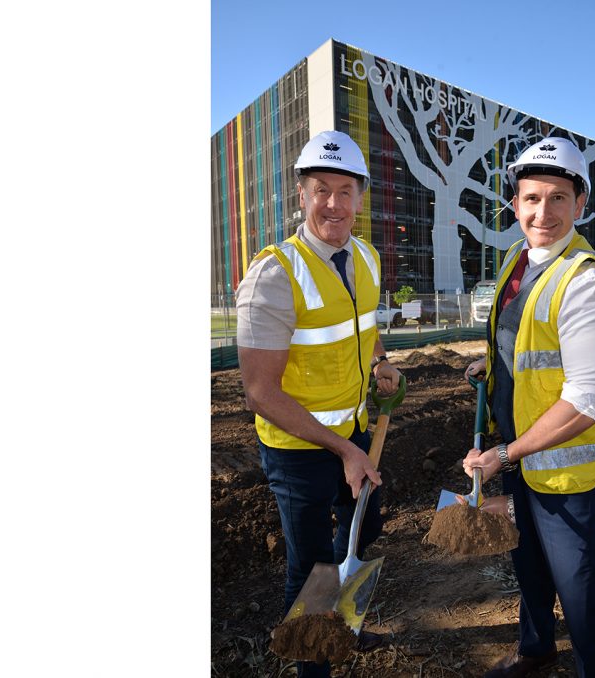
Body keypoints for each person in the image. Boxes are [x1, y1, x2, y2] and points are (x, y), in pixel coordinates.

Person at [235, 130, 401, 677]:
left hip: (353, 434)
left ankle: (333, 610)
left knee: (364, 528)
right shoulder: (275, 274)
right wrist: (342, 450)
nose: (334, 203)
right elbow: (260, 391)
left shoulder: (368, 258)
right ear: (302, 195)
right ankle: (314, 656)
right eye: (321, 189)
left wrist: (379, 363)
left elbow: (362, 325)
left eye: (345, 190)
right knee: (307, 565)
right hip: (298, 448)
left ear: (361, 196)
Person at [461, 136, 595, 677]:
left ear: (581, 204)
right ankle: (535, 651)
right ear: (516, 204)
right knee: (527, 564)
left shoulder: (586, 283)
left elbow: (586, 401)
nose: (544, 212)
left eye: (559, 198)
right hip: (520, 459)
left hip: (566, 472)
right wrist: (496, 362)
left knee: (579, 593)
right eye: (532, 198)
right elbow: (523, 336)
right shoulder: (519, 261)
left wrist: (505, 453)